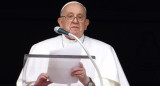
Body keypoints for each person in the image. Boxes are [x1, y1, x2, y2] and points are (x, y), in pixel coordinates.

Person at [17, 1, 130, 86]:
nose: (75, 21)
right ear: (60, 22)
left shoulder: (105, 50)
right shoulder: (39, 48)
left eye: (80, 17)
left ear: (86, 24)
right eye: (70, 16)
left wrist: (87, 81)